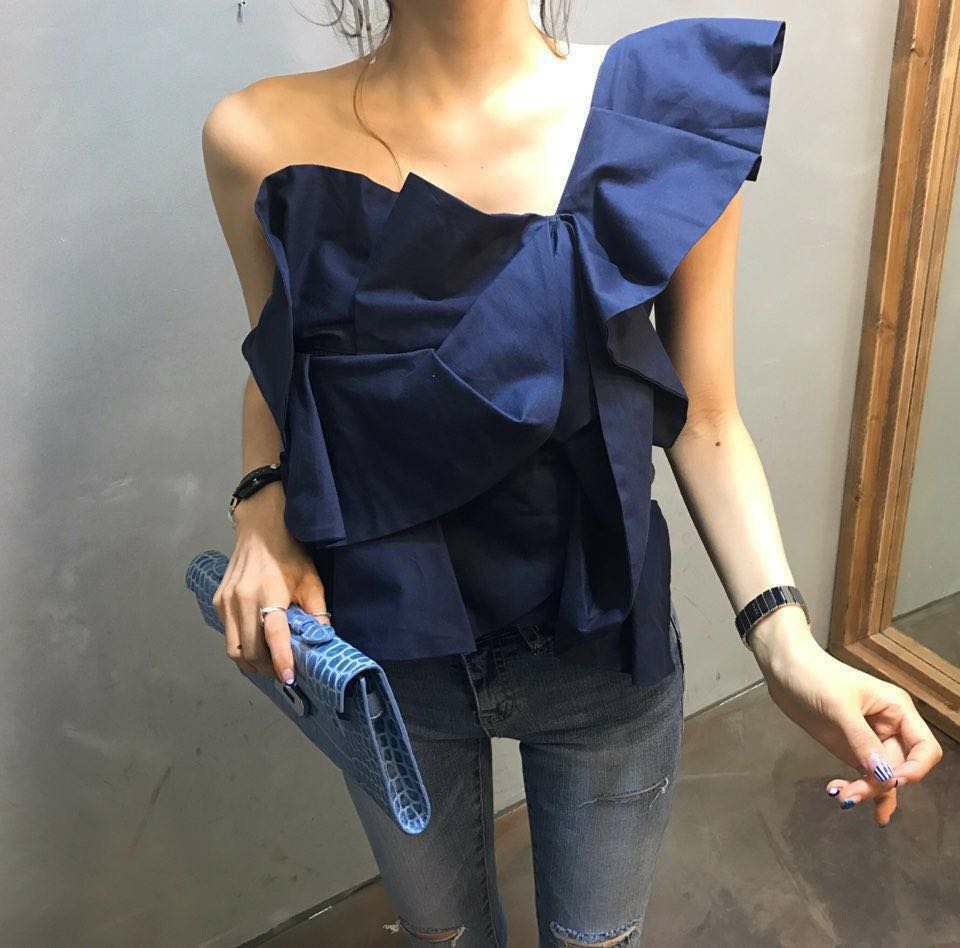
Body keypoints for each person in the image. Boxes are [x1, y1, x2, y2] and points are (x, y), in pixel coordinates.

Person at [202, 5, 944, 945]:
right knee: (443, 936)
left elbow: (706, 416)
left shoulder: (662, 116)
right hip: (388, 656)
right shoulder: (255, 137)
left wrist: (785, 644)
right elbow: (277, 366)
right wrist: (259, 506)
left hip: (602, 652)